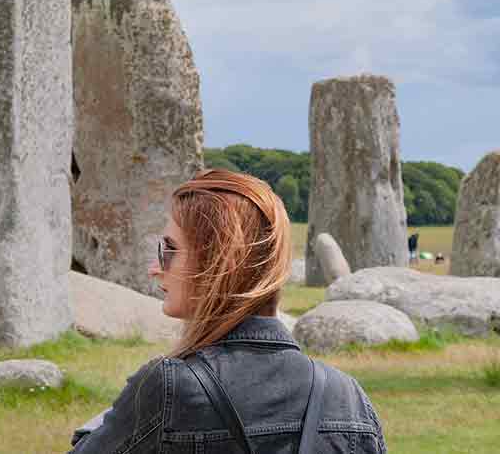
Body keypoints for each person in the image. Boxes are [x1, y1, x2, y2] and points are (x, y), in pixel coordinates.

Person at [68, 169, 386, 453]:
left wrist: (120, 416)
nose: (155, 268)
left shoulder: (168, 390)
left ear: (218, 262)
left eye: (168, 250)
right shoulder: (348, 398)